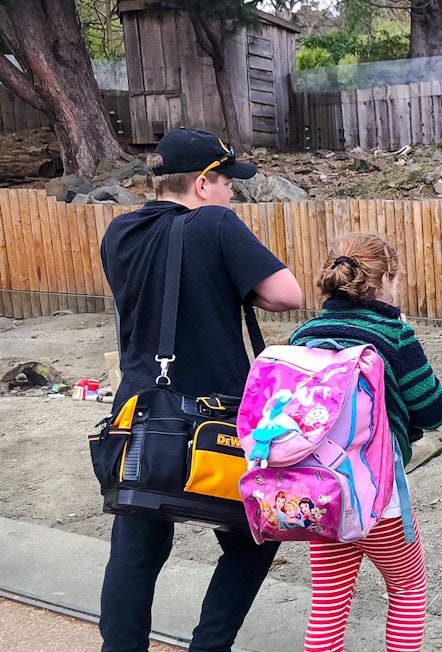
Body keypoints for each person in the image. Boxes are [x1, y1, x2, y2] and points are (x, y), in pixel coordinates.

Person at [98, 127, 303, 652]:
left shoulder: (119, 233)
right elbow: (287, 294)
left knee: (136, 549)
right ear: (204, 182)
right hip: (215, 419)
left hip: (141, 415)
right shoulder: (214, 223)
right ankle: (210, 646)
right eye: (228, 180)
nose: (233, 190)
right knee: (254, 538)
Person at [288, 232, 442, 652]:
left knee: (327, 605)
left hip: (320, 493)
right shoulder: (394, 335)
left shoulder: (304, 335)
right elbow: (434, 411)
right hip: (379, 498)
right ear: (384, 282)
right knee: (408, 589)